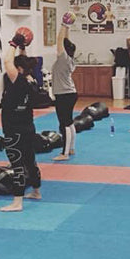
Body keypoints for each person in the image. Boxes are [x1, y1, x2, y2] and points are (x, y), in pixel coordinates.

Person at [0, 29, 42, 211]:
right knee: (30, 160)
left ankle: (17, 202)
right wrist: (23, 48)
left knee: (16, 163)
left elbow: (8, 61)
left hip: (13, 129)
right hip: (28, 127)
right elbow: (22, 63)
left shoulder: (18, 81)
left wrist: (14, 43)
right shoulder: (31, 78)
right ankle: (36, 191)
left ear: (18, 70)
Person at [51, 16, 78, 161]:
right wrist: (68, 28)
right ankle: (71, 148)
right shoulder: (69, 58)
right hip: (68, 94)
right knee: (69, 121)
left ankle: (65, 153)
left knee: (64, 123)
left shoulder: (63, 59)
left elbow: (59, 41)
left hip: (65, 95)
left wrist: (63, 24)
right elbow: (65, 42)